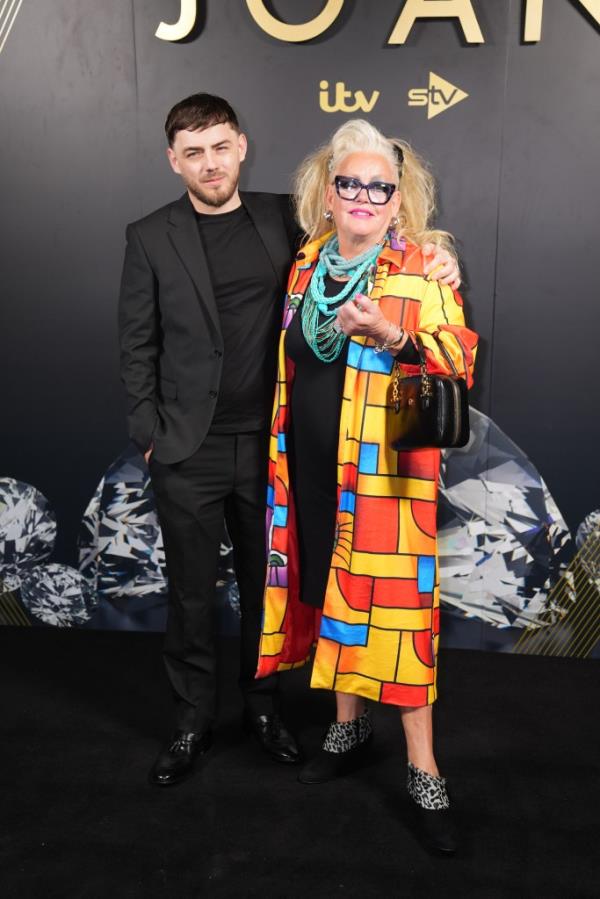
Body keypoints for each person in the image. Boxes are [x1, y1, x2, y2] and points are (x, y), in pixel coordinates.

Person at [118, 94, 461, 788]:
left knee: (272, 589)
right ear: (173, 160)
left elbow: (422, 308)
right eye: (193, 151)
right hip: (215, 449)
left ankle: (269, 711)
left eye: (220, 147)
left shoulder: (298, 224)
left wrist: (435, 261)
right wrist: (151, 434)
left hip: (317, 458)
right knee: (200, 594)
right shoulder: (173, 237)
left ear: (241, 147)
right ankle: (196, 722)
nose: (209, 163)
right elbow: (136, 343)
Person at [256, 119, 477, 853]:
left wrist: (393, 334)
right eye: (347, 182)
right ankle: (347, 726)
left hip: (384, 481)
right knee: (327, 593)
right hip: (310, 472)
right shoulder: (307, 262)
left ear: (395, 199)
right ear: (327, 192)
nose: (361, 195)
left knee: (403, 618)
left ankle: (424, 770)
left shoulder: (421, 266)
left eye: (377, 186)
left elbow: (456, 362)